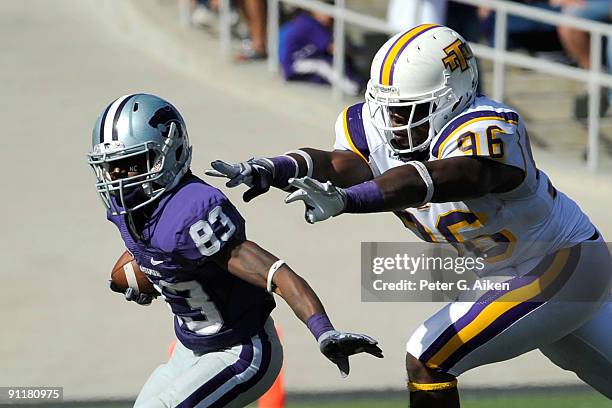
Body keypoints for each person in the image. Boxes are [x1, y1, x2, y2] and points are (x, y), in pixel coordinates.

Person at [207, 24, 612, 407]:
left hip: (559, 262)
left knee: (427, 354)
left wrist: (351, 201)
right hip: (512, 272)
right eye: (388, 110)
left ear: (451, 99)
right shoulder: (379, 126)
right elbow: (340, 163)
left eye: (408, 111)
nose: (393, 124)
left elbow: (443, 177)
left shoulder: (490, 127)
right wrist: (275, 167)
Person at [86, 93, 383, 408]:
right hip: (191, 348)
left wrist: (323, 331)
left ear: (169, 155)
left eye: (129, 165)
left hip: (241, 350)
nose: (118, 180)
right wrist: (153, 281)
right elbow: (162, 260)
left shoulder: (191, 212)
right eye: (111, 167)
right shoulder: (129, 209)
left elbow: (276, 273)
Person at [279, 8, 363, 96]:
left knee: (329, 61)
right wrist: (358, 54)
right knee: (323, 65)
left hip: (306, 58)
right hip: (293, 64)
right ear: (315, 11)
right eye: (326, 12)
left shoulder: (310, 21)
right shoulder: (309, 23)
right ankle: (353, 88)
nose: (330, 17)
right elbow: (334, 49)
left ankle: (357, 83)